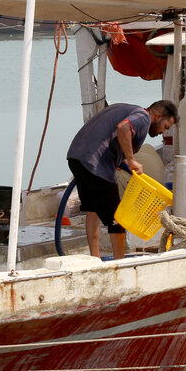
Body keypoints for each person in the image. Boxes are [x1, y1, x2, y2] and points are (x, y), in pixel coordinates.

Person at [66, 100, 177, 260]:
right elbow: (123, 127)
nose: (163, 133)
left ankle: (95, 259)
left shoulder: (127, 108)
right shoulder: (143, 118)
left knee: (93, 211)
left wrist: (119, 160)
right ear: (158, 116)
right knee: (118, 217)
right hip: (96, 163)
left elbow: (109, 132)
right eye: (165, 127)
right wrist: (131, 160)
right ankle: (120, 262)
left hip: (77, 157)